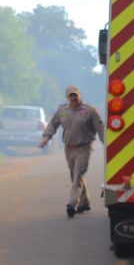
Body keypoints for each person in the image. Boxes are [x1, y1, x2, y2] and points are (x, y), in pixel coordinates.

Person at [40, 86, 105, 218]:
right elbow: (53, 125)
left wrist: (108, 145)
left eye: (75, 95)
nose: (73, 98)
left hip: (84, 148)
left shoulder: (89, 111)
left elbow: (100, 128)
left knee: (77, 175)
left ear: (80, 96)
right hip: (69, 149)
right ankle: (84, 203)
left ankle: (72, 204)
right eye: (71, 96)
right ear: (67, 98)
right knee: (75, 176)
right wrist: (46, 138)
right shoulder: (62, 111)